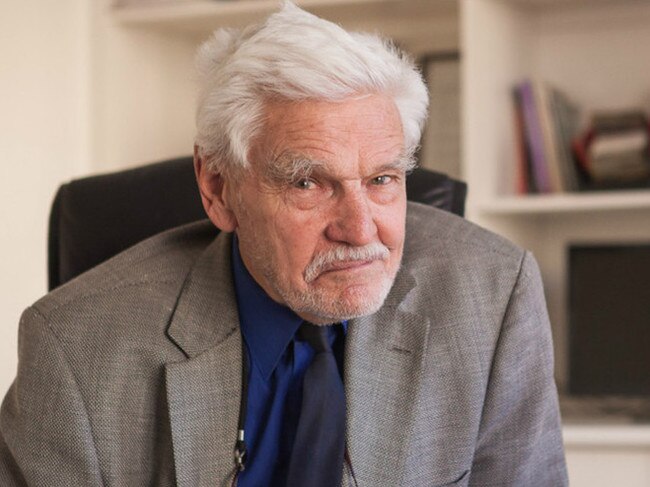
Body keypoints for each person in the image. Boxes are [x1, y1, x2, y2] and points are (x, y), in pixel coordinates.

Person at [0, 3, 568, 486]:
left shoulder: (493, 296)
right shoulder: (75, 349)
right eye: (308, 183)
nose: (361, 229)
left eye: (381, 180)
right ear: (218, 189)